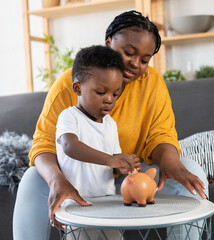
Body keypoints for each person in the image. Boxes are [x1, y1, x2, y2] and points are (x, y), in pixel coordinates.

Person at [13, 10, 208, 240]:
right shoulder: (72, 82)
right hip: (75, 178)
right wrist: (57, 179)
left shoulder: (152, 83)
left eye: (145, 60)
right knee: (31, 179)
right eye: (129, 52)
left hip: (126, 178)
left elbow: (159, 136)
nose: (135, 64)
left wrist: (170, 162)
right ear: (109, 43)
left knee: (192, 170)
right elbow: (45, 144)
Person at [56, 45, 139, 239]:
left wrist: (123, 165)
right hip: (77, 204)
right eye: (101, 93)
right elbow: (70, 146)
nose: (109, 99)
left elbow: (114, 163)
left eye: (115, 94)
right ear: (78, 88)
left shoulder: (110, 124)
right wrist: (110, 160)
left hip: (108, 202)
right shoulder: (69, 116)